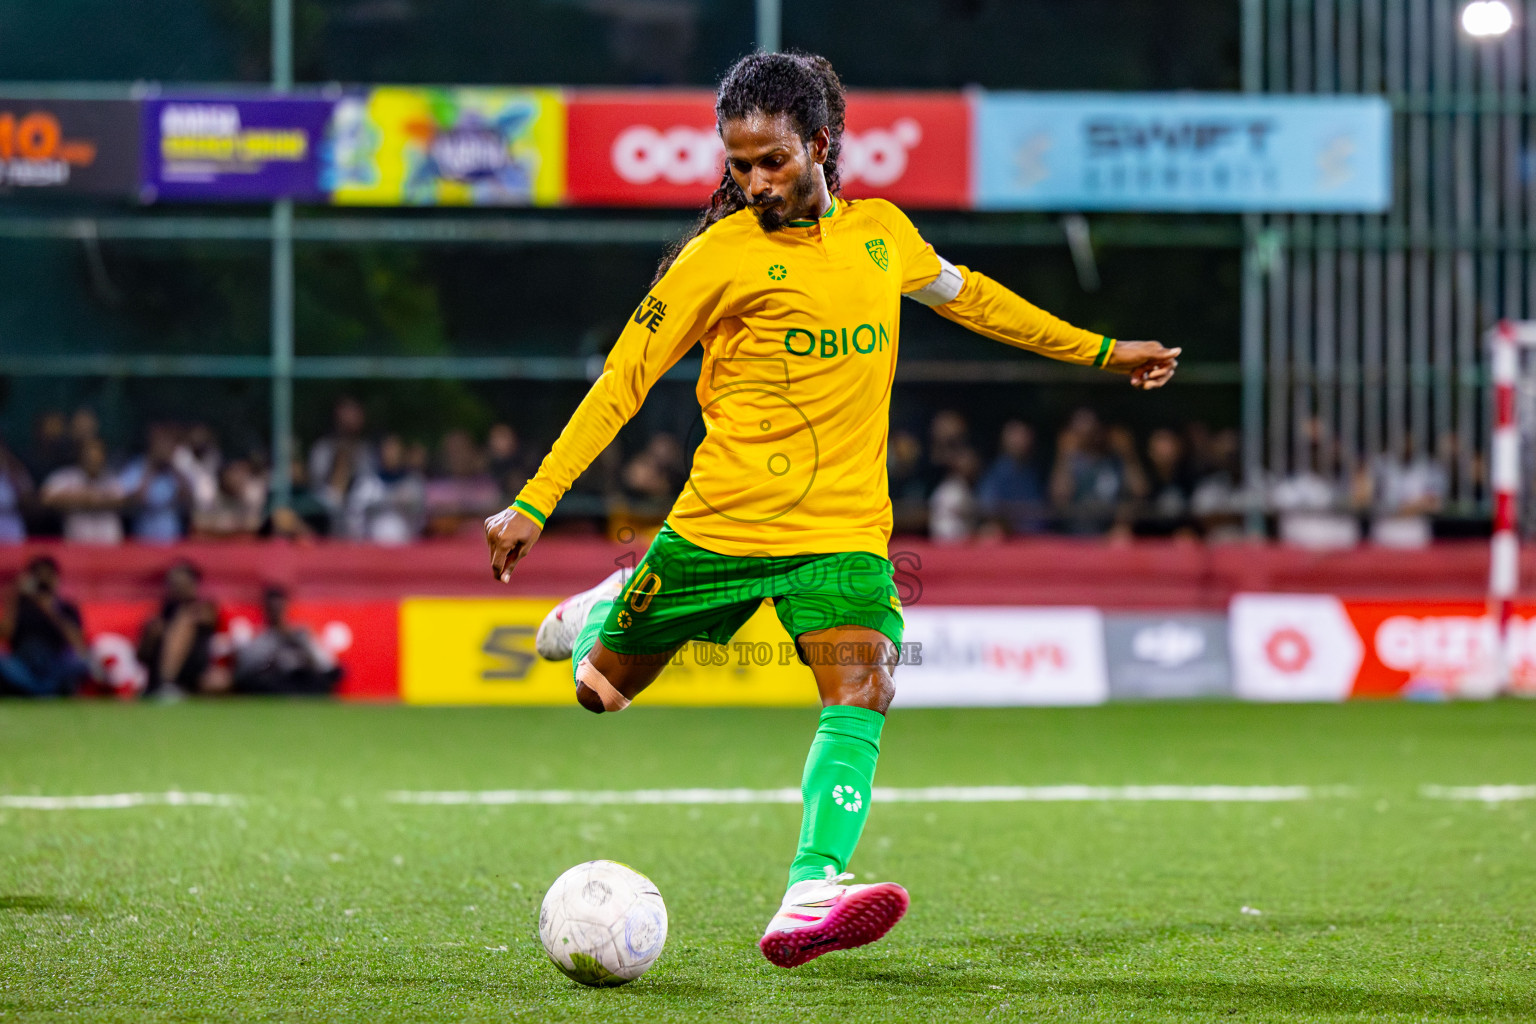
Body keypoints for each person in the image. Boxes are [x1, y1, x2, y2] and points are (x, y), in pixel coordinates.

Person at [483, 51, 1178, 970]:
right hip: (720, 529)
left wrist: (1099, 352)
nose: (756, 183)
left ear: (819, 144)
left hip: (843, 532)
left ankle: (811, 890)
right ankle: (604, 612)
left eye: (772, 162)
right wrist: (535, 501)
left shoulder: (883, 236)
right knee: (600, 691)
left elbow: (977, 302)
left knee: (865, 682)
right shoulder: (715, 258)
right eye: (739, 166)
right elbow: (623, 382)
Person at [0, 556, 91, 697]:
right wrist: (13, 599)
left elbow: (79, 645)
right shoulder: (20, 606)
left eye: (48, 577)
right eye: (38, 578)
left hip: (55, 663)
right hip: (24, 664)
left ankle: (36, 690)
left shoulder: (66, 608)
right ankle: (45, 690)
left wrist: (50, 610)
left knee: (82, 663)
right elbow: (6, 635)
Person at [231, 586, 341, 695]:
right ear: (266, 610)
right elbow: (244, 669)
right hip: (274, 682)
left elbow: (327, 665)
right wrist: (275, 640)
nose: (276, 613)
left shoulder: (301, 633)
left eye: (279, 608)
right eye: (272, 608)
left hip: (301, 678)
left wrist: (302, 643)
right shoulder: (260, 637)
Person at [137, 561, 226, 697]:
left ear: (193, 584)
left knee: (184, 622)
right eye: (173, 584)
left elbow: (208, 620)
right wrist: (152, 636)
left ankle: (169, 684)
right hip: (157, 670)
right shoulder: (163, 612)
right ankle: (163, 685)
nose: (177, 588)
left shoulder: (204, 607)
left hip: (195, 669)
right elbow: (141, 656)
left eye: (181, 583)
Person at [41, 439, 125, 545]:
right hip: (77, 543)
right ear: (80, 456)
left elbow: (124, 501)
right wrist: (81, 499)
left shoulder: (112, 478)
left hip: (109, 544)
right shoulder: (66, 476)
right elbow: (46, 500)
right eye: (89, 456)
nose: (93, 461)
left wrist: (96, 501)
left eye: (97, 457)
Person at [119, 426, 191, 543]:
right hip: (143, 540)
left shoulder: (178, 473)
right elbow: (133, 502)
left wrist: (173, 469)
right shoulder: (136, 468)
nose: (164, 449)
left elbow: (188, 500)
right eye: (160, 444)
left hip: (173, 540)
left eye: (168, 445)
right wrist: (151, 470)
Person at [976, 420, 1047, 536]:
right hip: (1011, 539)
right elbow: (987, 508)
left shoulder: (1033, 472)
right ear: (1004, 439)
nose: (1020, 440)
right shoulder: (996, 473)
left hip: (1038, 538)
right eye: (1015, 435)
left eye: (1024, 435)